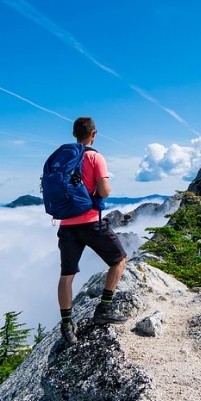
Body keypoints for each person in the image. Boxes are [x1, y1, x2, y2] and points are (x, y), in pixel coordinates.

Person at [57, 117, 128, 346]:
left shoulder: (63, 159)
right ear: (94, 134)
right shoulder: (95, 157)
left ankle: (66, 325)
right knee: (119, 260)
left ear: (74, 134)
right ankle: (104, 309)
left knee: (66, 276)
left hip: (66, 225)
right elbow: (104, 191)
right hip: (90, 222)